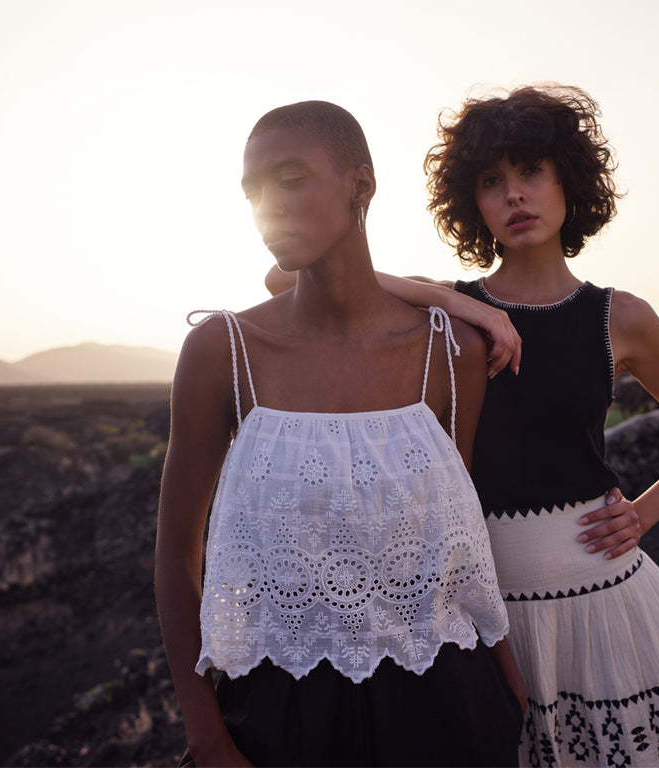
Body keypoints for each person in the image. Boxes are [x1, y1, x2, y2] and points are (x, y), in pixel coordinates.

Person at [267, 84, 659, 767]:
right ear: (472, 203)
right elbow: (283, 278)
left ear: (568, 181)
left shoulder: (621, 317)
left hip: (604, 602)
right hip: (480, 616)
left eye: (531, 172)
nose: (515, 195)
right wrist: (465, 305)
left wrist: (642, 513)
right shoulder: (450, 314)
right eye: (492, 181)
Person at [155, 100, 525, 767]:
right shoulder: (224, 352)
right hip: (280, 714)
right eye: (252, 189)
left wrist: (513, 690)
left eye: (290, 178)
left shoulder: (452, 354)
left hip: (449, 703)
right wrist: (206, 735)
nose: (267, 203)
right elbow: (176, 551)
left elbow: (459, 544)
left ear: (361, 185)